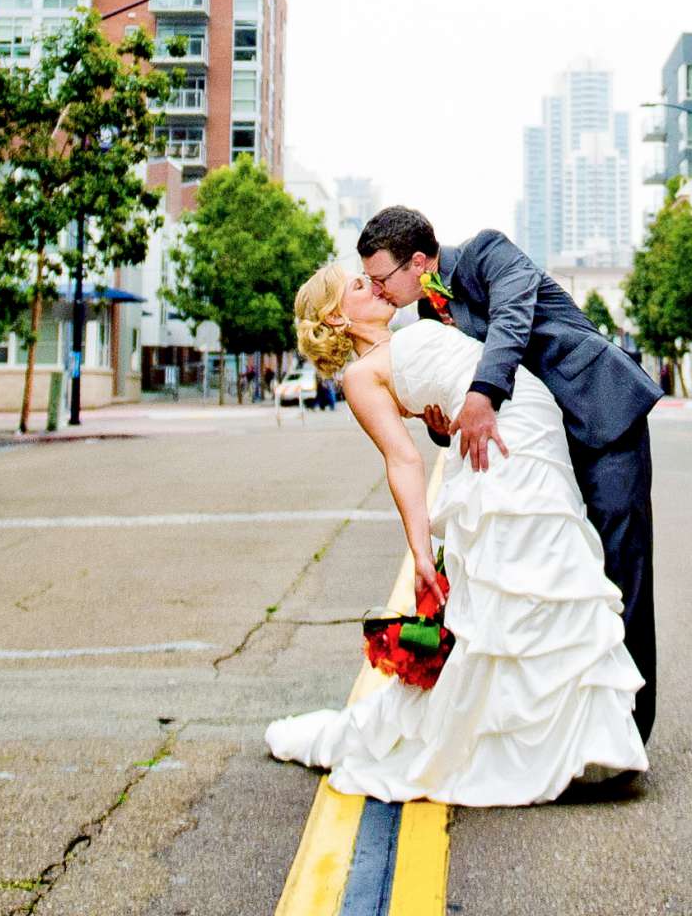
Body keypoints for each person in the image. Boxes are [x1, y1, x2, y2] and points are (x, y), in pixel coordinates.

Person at [268, 263, 646, 805]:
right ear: (335, 316)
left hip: (529, 428)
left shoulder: (411, 327)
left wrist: (441, 418)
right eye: (357, 286)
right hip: (495, 452)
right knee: (527, 580)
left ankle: (581, 740)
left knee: (552, 573)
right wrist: (421, 553)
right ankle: (546, 746)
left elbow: (446, 395)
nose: (373, 287)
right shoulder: (361, 376)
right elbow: (402, 460)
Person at [354, 206, 660, 743]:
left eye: (382, 279)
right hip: (541, 451)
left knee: (619, 571)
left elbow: (513, 321)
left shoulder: (488, 253)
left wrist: (479, 395)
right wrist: (443, 421)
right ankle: (575, 724)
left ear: (419, 262)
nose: (379, 292)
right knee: (570, 578)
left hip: (600, 416)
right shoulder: (429, 318)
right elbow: (455, 416)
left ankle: (631, 727)